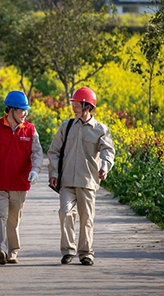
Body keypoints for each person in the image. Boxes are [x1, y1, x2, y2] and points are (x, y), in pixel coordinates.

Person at [0, 91, 43, 265]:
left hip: (20, 185)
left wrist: (35, 170)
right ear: (10, 110)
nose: (24, 113)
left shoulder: (30, 130)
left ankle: (13, 252)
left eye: (25, 110)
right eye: (21, 110)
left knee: (13, 220)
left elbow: (37, 153)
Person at [47, 87, 115, 266]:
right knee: (65, 213)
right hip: (66, 181)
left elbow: (108, 151)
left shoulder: (100, 129)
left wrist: (105, 167)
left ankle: (86, 253)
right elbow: (54, 151)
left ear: (88, 107)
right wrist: (53, 172)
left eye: (77, 105)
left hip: (88, 181)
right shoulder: (66, 126)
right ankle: (68, 250)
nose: (74, 108)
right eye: (74, 105)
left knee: (87, 219)